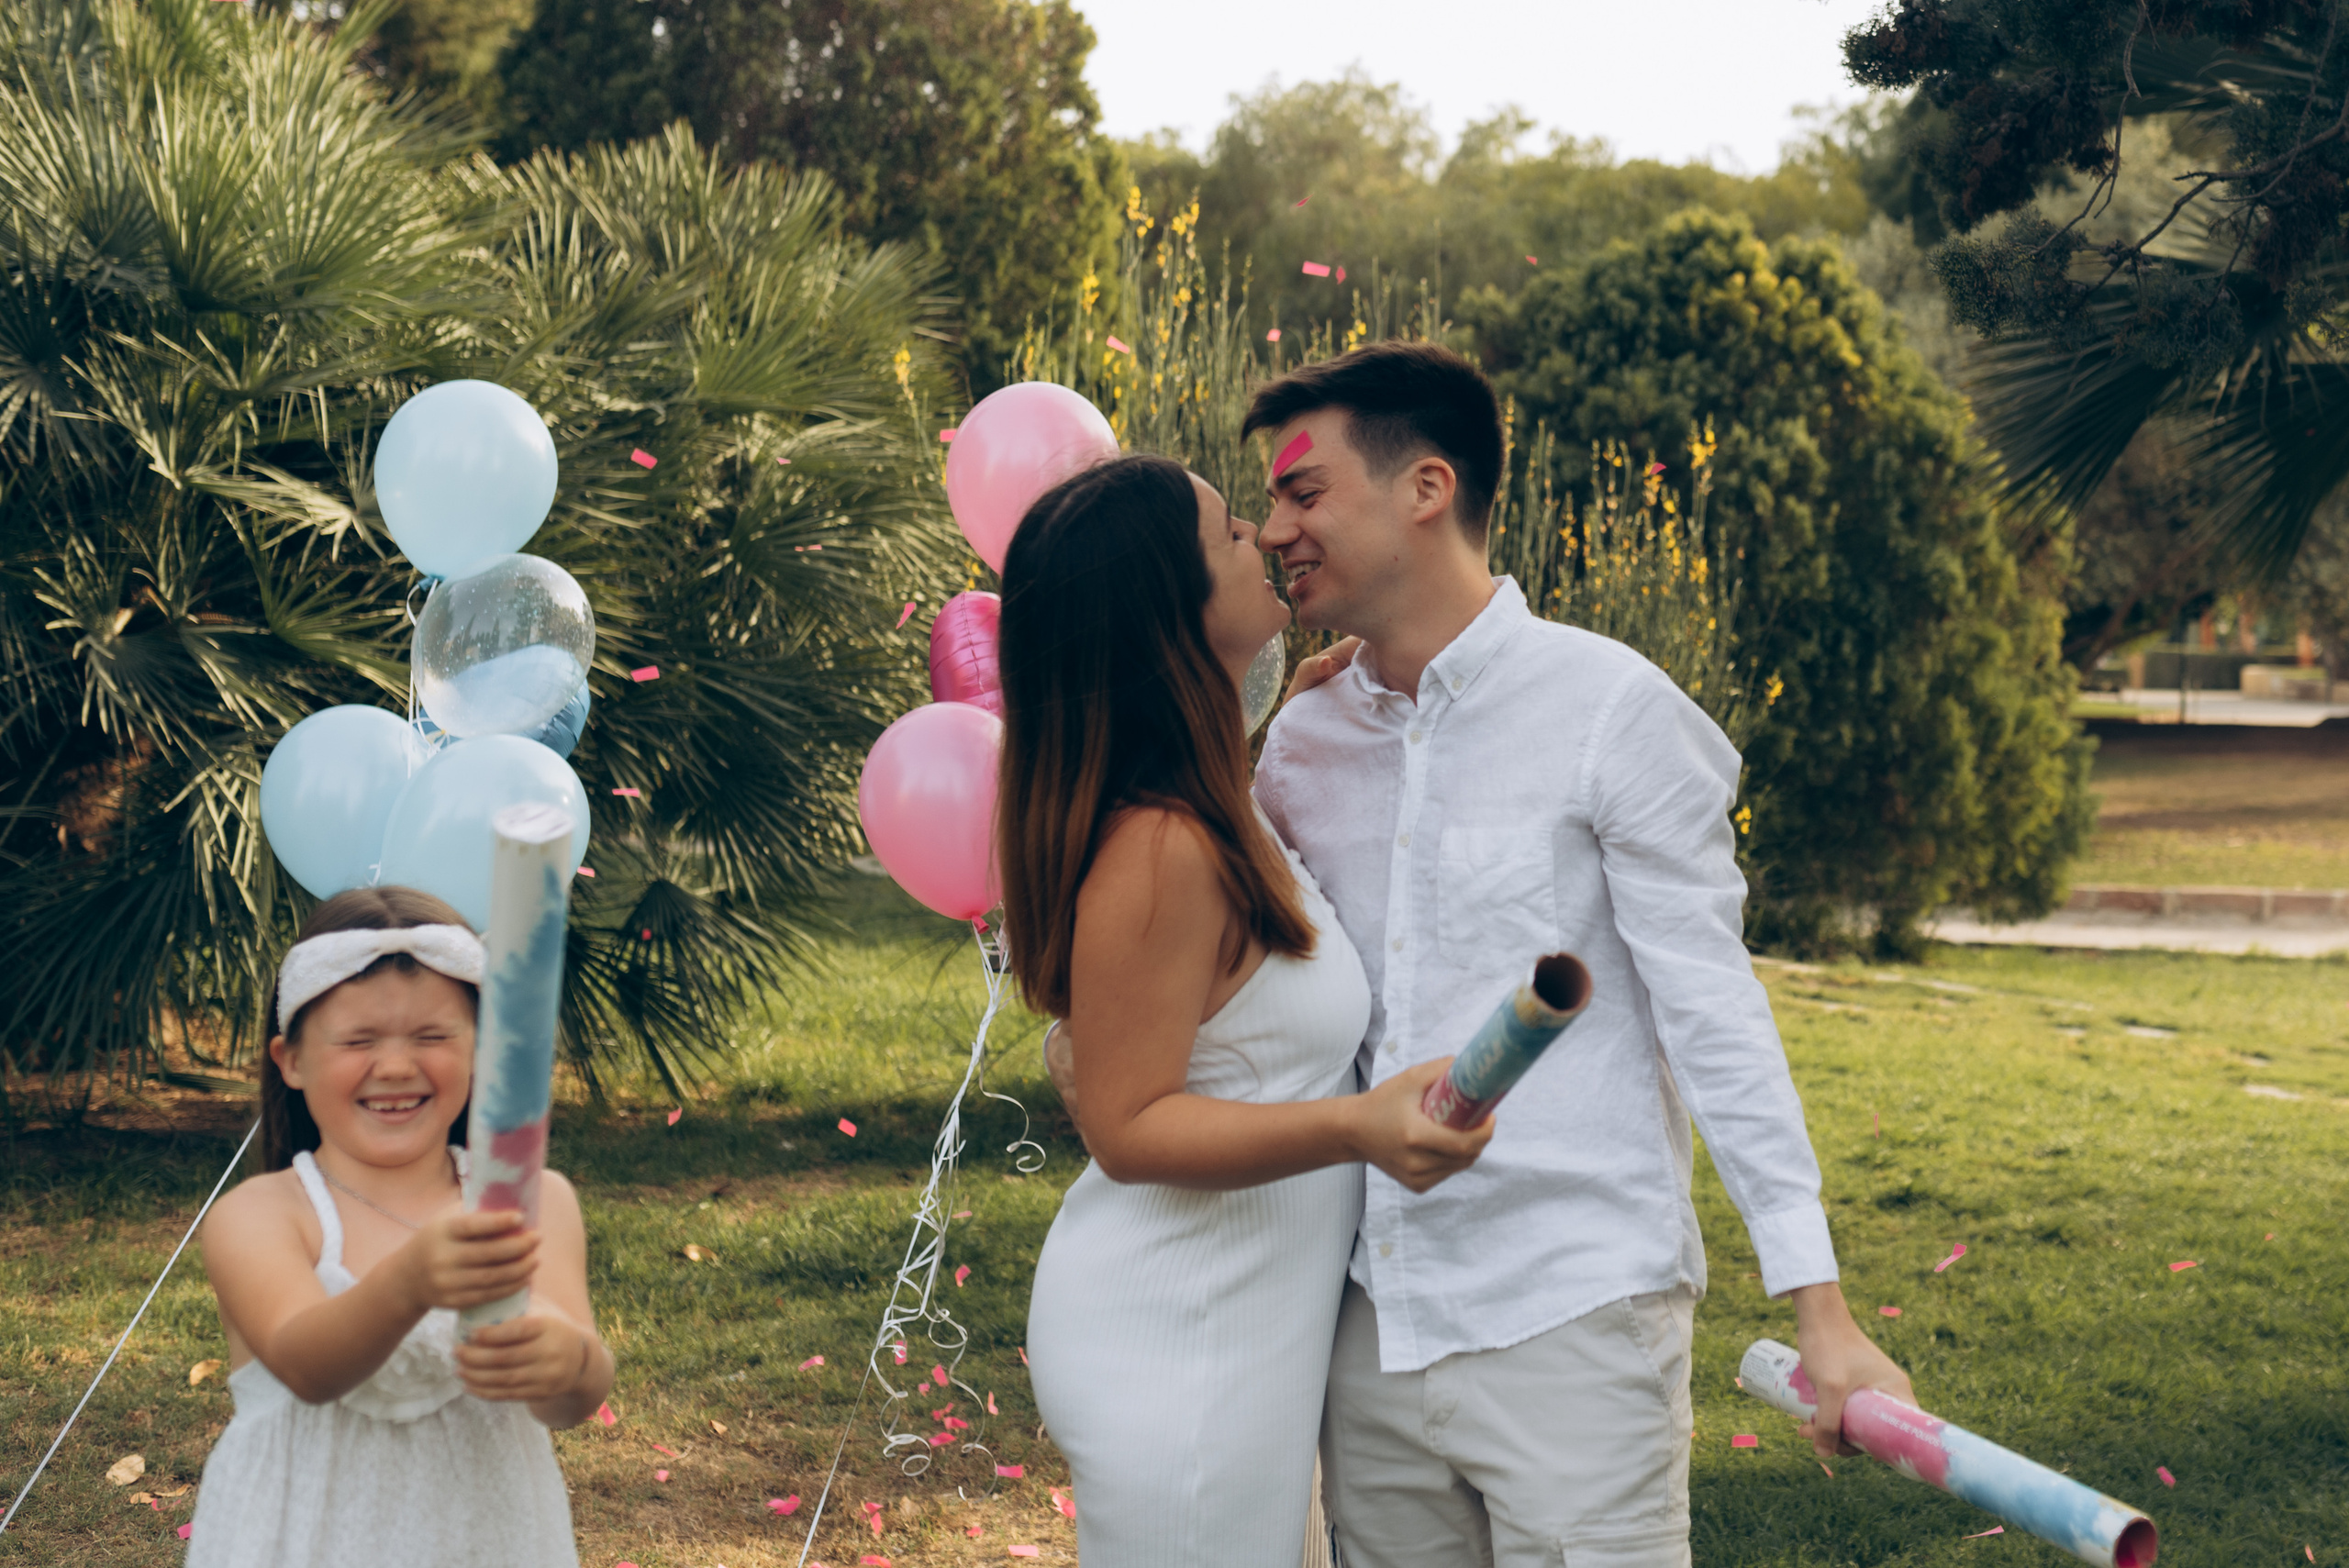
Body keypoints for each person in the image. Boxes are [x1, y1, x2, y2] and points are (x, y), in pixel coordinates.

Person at [1234, 339, 1915, 1568]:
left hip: (1574, 1315)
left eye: (1303, 490)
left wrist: (1819, 1307)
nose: (1274, 525)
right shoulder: (1303, 745)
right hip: (1367, 1325)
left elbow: (1715, 1015)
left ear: (1426, 488)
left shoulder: (1614, 709)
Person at [1000, 454, 1492, 1568]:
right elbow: (1129, 1126)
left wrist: (1276, 718)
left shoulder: (1212, 806)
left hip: (1236, 1331)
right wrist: (1356, 1124)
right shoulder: (1162, 846)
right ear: (1167, 607)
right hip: (1181, 1338)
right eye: (1229, 532)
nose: (1265, 538)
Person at [187, 886, 610, 1568]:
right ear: (290, 1059)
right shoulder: (263, 1213)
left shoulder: (534, 1200)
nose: (394, 1064)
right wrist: (410, 1280)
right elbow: (306, 1363)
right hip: (302, 1538)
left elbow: (572, 1396)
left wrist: (570, 1361)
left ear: (484, 1048)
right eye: (358, 1039)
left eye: (433, 1035)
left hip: (488, 1535)